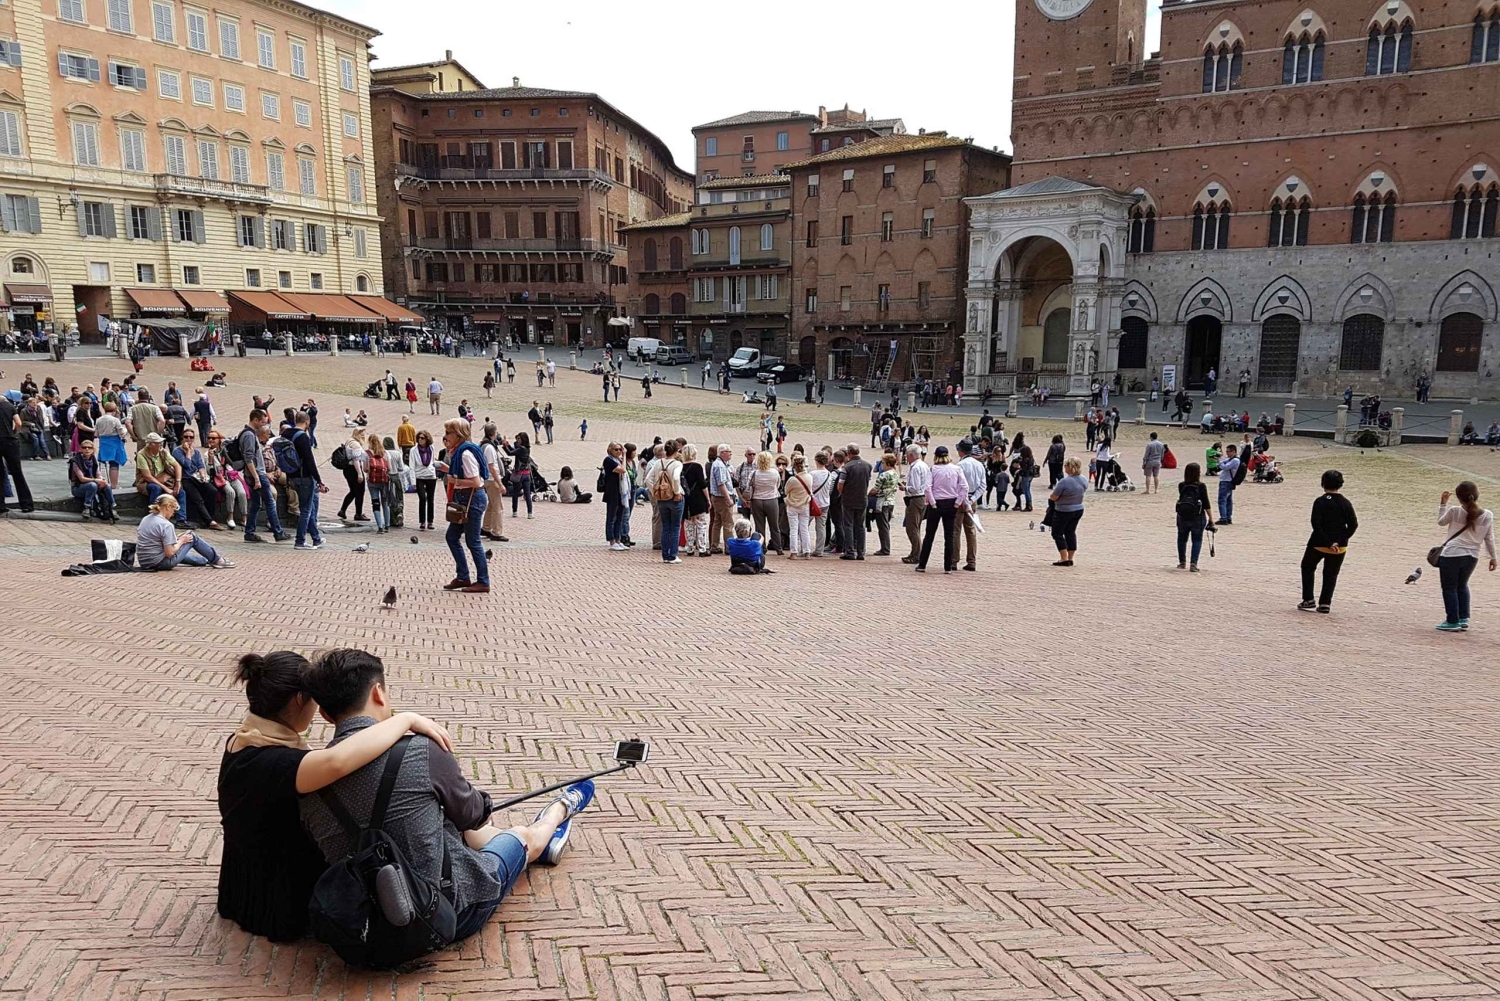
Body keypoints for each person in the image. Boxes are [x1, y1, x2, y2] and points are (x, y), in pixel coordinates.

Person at [298, 650, 590, 959]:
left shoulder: (306, 779)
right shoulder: (420, 751)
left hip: (360, 926)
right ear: (378, 692)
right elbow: (474, 816)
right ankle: (558, 814)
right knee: (519, 836)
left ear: (326, 716)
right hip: (444, 913)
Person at [217, 651, 454, 942]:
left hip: (246, 882)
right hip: (278, 898)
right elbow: (336, 762)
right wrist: (404, 720)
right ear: (299, 701)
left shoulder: (244, 741)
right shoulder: (273, 763)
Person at [435, 419, 490, 593]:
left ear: (458, 434)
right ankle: (463, 576)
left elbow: (475, 481)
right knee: (452, 537)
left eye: (448, 433)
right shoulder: (461, 451)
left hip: (471, 499)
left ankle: (483, 581)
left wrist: (454, 479)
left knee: (473, 541)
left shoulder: (465, 453)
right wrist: (448, 470)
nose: (445, 437)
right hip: (465, 498)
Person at [1435, 482, 1497, 631]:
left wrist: (1443, 504)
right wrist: (1493, 557)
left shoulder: (1455, 511)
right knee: (1462, 586)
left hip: (1452, 555)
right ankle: (1464, 618)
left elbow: (1441, 522)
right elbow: (1489, 538)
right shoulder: (1488, 515)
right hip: (1472, 557)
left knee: (1449, 588)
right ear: (1476, 495)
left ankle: (1452, 621)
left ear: (1458, 497)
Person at [1299, 469, 1358, 614]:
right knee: (1331, 574)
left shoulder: (1320, 502)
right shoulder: (1345, 503)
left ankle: (1308, 599)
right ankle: (1325, 603)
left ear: (1323, 483)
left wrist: (1328, 542)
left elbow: (1316, 524)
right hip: (1340, 547)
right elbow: (1353, 525)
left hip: (1318, 543)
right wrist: (1339, 541)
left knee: (1307, 566)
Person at [136, 494, 234, 569]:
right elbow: (170, 553)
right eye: (174, 509)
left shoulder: (146, 519)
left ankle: (205, 560)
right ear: (168, 507)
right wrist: (182, 541)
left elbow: (155, 541)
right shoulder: (166, 525)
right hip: (160, 562)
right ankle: (217, 560)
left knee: (182, 547)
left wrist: (176, 539)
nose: (173, 513)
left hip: (145, 561)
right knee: (192, 537)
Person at [238, 410, 287, 544]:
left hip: (254, 474)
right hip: (257, 474)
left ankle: (250, 532)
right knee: (270, 502)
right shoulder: (249, 435)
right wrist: (257, 477)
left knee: (256, 504)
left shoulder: (247, 433)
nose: (264, 425)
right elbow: (248, 458)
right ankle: (278, 532)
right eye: (263, 422)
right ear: (256, 420)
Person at [915, 445, 965, 573]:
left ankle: (922, 564)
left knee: (929, 535)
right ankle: (948, 566)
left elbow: (927, 487)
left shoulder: (934, 469)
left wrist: (933, 503)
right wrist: (957, 503)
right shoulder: (957, 469)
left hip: (937, 502)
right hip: (951, 502)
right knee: (949, 536)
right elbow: (964, 487)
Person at [285, 412, 326, 550]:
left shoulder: (286, 433)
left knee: (308, 508)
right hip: (304, 477)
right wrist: (319, 479)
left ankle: (316, 539)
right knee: (306, 510)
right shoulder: (303, 437)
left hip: (291, 476)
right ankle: (300, 541)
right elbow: (309, 460)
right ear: (307, 422)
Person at [173, 429, 226, 531]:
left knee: (212, 490)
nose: (188, 439)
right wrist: (188, 451)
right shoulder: (177, 451)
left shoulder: (196, 452)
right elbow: (186, 465)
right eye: (186, 437)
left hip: (196, 478)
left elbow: (201, 465)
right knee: (197, 499)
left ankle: (210, 517)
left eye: (191, 437)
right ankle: (209, 521)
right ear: (182, 438)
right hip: (185, 478)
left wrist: (203, 475)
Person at [646, 440, 685, 563]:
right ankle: (673, 555)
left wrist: (655, 491)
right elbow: (675, 477)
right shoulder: (677, 464)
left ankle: (665, 555)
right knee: (675, 527)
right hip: (674, 498)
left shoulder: (658, 463)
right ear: (676, 451)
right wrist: (677, 492)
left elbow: (648, 479)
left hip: (662, 498)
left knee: (666, 526)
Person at [1047, 456, 1088, 567]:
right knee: (1070, 532)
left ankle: (1063, 558)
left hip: (1063, 510)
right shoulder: (1084, 479)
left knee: (1057, 533)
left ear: (1070, 467)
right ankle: (1070, 557)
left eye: (1066, 465)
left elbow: (1054, 496)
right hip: (1078, 508)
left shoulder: (1064, 482)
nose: (1064, 467)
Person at [0, 390, 34, 515]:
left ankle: (1, 506)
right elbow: (19, 423)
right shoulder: (9, 406)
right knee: (17, 473)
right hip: (10, 442)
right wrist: (13, 433)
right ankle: (26, 504)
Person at [1174, 462, 1213, 571]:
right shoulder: (1201, 486)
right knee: (1197, 540)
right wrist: (1211, 518)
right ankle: (1193, 563)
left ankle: (1182, 562)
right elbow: (1206, 503)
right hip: (1198, 516)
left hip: (1182, 516)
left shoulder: (1182, 485)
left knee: (1181, 539)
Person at [836, 444, 872, 560]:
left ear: (849, 453)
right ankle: (861, 552)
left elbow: (840, 485)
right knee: (860, 526)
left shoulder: (847, 467)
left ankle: (850, 551)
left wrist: (843, 493)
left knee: (848, 525)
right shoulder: (868, 466)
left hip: (848, 499)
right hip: (862, 499)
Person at [955, 440, 985, 570]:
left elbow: (958, 485)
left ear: (961, 451)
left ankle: (953, 560)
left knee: (956, 531)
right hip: (972, 498)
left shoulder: (960, 465)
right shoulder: (979, 465)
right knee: (971, 531)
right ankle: (971, 561)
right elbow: (983, 486)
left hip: (960, 499)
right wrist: (972, 500)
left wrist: (964, 500)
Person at [69, 438, 116, 522]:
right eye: (84, 447)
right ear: (80, 449)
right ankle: (87, 507)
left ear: (93, 450)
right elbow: (82, 478)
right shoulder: (75, 461)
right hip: (78, 487)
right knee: (92, 485)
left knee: (107, 486)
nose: (87, 449)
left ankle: (112, 507)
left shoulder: (93, 460)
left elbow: (98, 474)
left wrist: (102, 480)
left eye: (89, 448)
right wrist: (96, 480)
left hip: (92, 484)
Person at [747, 451, 783, 555]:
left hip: (757, 500)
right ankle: (778, 548)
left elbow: (750, 486)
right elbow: (778, 485)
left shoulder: (754, 473)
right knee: (774, 526)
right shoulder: (774, 472)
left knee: (759, 526)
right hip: (771, 499)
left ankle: (761, 547)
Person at [900, 444, 930, 564]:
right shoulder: (924, 465)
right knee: (915, 527)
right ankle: (916, 552)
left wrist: (905, 487)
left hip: (916, 498)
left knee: (912, 528)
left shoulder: (916, 467)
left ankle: (917, 554)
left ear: (911, 455)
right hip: (922, 498)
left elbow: (915, 488)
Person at [478, 424, 508, 543]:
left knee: (491, 504)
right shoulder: (489, 448)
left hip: (489, 479)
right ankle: (497, 532)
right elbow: (492, 467)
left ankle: (486, 527)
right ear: (493, 433)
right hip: (492, 479)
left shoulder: (485, 445)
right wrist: (499, 483)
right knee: (498, 507)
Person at [708, 444, 739, 554]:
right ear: (722, 453)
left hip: (716, 497)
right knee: (728, 523)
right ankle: (729, 547)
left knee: (717, 521)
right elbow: (721, 484)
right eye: (728, 451)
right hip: (722, 498)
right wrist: (728, 498)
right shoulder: (720, 466)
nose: (730, 453)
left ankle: (714, 545)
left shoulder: (719, 464)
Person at [681, 444, 711, 557]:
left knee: (688, 524)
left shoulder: (680, 467)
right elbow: (702, 485)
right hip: (698, 498)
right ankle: (702, 548)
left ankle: (689, 548)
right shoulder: (697, 467)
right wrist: (708, 499)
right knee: (701, 524)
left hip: (686, 499)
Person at [336, 429, 369, 523]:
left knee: (353, 491)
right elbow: (356, 460)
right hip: (354, 470)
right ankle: (358, 514)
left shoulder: (349, 441)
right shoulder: (356, 445)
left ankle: (342, 510)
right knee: (360, 492)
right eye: (362, 435)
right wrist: (359, 473)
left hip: (347, 469)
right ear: (357, 435)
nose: (363, 437)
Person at [871, 452, 900, 557]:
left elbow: (875, 489)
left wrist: (868, 495)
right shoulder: (895, 474)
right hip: (891, 502)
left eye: (883, 463)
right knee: (886, 525)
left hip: (882, 502)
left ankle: (885, 548)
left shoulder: (884, 475)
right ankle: (885, 547)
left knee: (882, 527)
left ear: (887, 463)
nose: (882, 465)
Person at [410, 429, 439, 531]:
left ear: (427, 439)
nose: (420, 440)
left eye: (422, 438)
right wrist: (413, 481)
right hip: (419, 476)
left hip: (430, 475)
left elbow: (432, 461)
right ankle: (422, 521)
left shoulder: (431, 448)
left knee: (431, 499)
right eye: (418, 438)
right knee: (422, 498)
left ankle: (430, 521)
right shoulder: (413, 450)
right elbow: (411, 466)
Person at [602, 442, 629, 549]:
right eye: (616, 449)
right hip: (612, 492)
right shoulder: (608, 460)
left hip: (621, 492)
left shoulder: (619, 460)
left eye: (620, 450)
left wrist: (623, 457)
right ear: (610, 450)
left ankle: (618, 539)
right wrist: (625, 455)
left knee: (620, 517)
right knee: (611, 517)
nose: (618, 452)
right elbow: (622, 470)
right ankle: (612, 540)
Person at [95, 401, 128, 488]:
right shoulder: (115, 420)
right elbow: (121, 433)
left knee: (107, 463)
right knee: (114, 464)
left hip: (103, 443)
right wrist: (125, 431)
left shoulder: (98, 420)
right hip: (114, 443)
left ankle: (106, 482)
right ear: (114, 410)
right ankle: (114, 485)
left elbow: (96, 434)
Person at [366, 435, 392, 534]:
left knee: (375, 503)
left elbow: (365, 469)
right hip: (384, 482)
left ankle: (380, 526)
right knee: (385, 503)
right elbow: (389, 468)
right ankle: (387, 525)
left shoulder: (367, 454)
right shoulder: (385, 453)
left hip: (372, 482)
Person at [505, 430, 534, 519]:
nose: (517, 441)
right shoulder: (527, 449)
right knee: (527, 494)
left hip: (519, 474)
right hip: (527, 474)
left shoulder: (521, 449)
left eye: (519, 439)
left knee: (515, 493)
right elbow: (514, 450)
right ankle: (530, 513)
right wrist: (508, 445)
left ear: (523, 440)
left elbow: (510, 453)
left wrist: (505, 445)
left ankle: (515, 511)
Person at [1216, 444, 1240, 525]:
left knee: (1222, 500)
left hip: (1227, 481)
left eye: (1228, 451)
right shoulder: (1232, 459)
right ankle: (1228, 517)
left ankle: (1223, 518)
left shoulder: (1235, 460)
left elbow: (1225, 467)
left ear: (1233, 451)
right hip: (1227, 481)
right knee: (1228, 500)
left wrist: (1219, 461)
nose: (1227, 453)